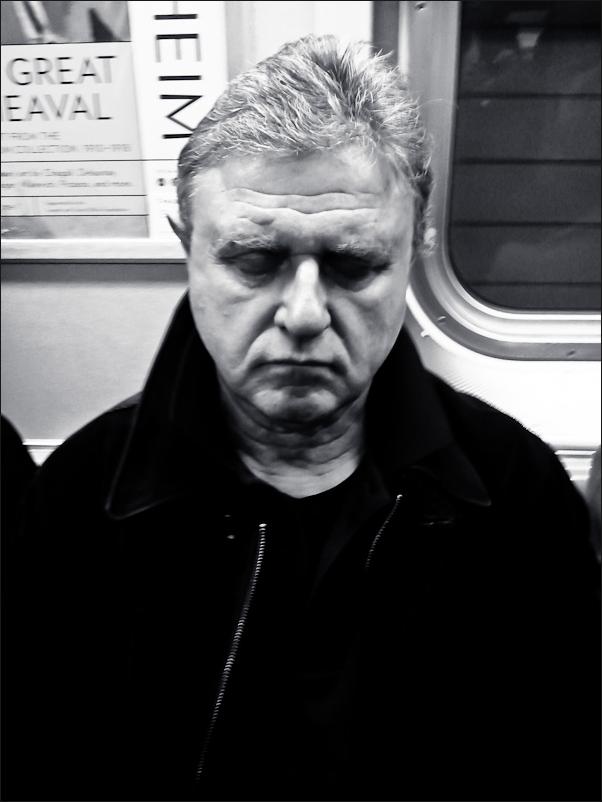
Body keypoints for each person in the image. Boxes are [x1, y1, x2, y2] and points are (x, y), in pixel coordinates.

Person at [5, 35, 600, 802]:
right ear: (190, 249)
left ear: (413, 253)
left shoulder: (515, 496)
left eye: (354, 265)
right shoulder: (81, 503)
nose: (305, 313)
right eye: (255, 260)